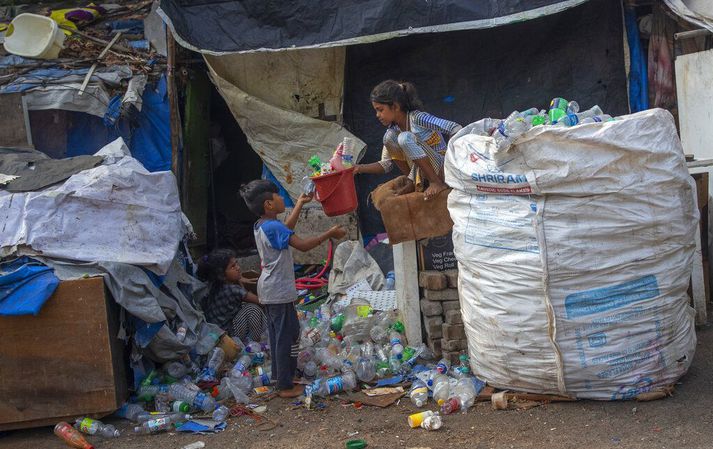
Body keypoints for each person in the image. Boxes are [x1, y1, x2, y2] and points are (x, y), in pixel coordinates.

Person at [239, 180, 347, 398]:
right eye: (278, 196)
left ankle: (282, 377)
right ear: (269, 204)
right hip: (277, 290)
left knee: (281, 334)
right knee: (286, 335)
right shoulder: (273, 227)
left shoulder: (263, 225)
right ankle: (285, 386)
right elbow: (304, 245)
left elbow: (285, 230)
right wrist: (330, 233)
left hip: (271, 289)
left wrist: (299, 204)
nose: (281, 199)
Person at [354, 80, 462, 200]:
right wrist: (358, 168)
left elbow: (455, 128)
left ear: (395, 106)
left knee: (405, 138)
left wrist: (450, 159)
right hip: (420, 172)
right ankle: (413, 181)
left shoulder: (417, 118)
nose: (377, 115)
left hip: (442, 167)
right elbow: (386, 165)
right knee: (389, 137)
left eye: (380, 110)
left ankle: (436, 182)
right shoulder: (393, 131)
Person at [197, 249, 267, 343]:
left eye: (237, 264)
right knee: (253, 310)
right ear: (221, 274)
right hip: (225, 335)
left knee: (248, 307)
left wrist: (239, 279)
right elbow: (261, 302)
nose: (238, 268)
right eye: (233, 266)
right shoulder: (231, 289)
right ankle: (254, 343)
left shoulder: (216, 284)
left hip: (218, 329)